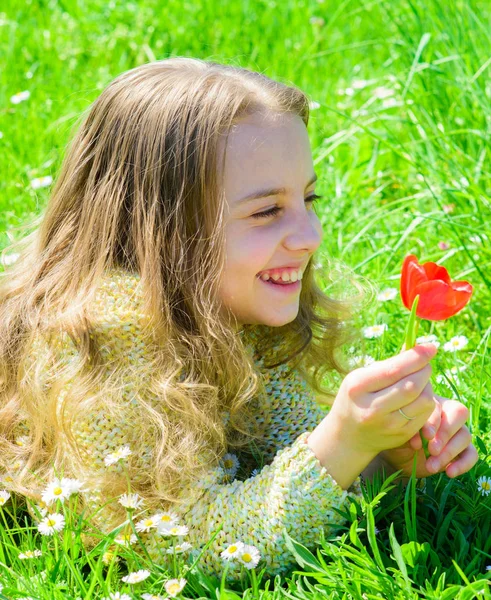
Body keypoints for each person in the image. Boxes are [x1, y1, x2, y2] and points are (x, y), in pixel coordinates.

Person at [0, 57, 478, 582]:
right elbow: (173, 548)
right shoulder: (107, 339)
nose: (310, 234)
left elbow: (285, 449)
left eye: (308, 198)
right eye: (267, 211)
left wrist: (389, 457)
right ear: (162, 229)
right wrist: (340, 444)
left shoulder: (226, 303)